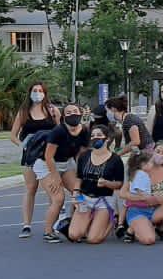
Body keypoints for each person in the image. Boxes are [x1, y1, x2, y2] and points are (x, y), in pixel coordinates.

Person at [10, 81, 60, 239]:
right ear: (30, 92)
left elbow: (60, 130)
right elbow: (13, 135)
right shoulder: (24, 112)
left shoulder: (52, 110)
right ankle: (26, 225)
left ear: (45, 93)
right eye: (34, 90)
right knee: (31, 188)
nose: (37, 93)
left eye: (40, 90)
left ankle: (53, 224)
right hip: (30, 155)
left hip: (49, 156)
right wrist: (23, 145)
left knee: (51, 190)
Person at [37, 104, 89, 244]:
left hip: (67, 163)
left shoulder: (84, 130)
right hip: (47, 164)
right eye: (69, 112)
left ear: (81, 113)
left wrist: (81, 173)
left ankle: (74, 225)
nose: (73, 114)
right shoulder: (58, 131)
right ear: (64, 116)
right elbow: (48, 156)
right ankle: (48, 232)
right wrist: (55, 177)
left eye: (75, 111)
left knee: (79, 193)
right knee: (58, 198)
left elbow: (81, 153)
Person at [66, 125, 123, 244]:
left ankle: (110, 221)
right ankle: (90, 220)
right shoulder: (84, 156)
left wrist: (107, 183)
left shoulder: (115, 159)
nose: (95, 138)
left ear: (107, 139)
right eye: (92, 136)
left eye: (99, 135)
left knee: (93, 239)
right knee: (74, 235)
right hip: (85, 198)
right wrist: (76, 194)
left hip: (104, 200)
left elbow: (119, 184)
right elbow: (79, 178)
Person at [122, 145, 163, 245]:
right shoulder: (137, 172)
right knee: (149, 240)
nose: (160, 155)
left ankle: (154, 226)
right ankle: (132, 229)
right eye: (158, 151)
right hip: (138, 210)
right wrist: (143, 198)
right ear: (152, 152)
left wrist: (161, 195)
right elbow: (123, 193)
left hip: (155, 209)